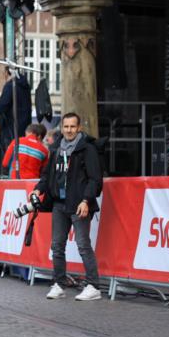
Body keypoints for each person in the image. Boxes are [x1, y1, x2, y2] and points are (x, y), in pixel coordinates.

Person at [33, 112, 103, 301]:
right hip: (59, 203)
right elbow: (47, 175)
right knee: (57, 246)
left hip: (79, 204)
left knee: (83, 245)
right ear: (61, 128)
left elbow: (95, 179)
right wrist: (38, 189)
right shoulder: (56, 148)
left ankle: (93, 286)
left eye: (73, 126)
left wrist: (86, 200)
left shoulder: (87, 149)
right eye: (66, 127)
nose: (69, 130)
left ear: (79, 128)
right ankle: (59, 284)